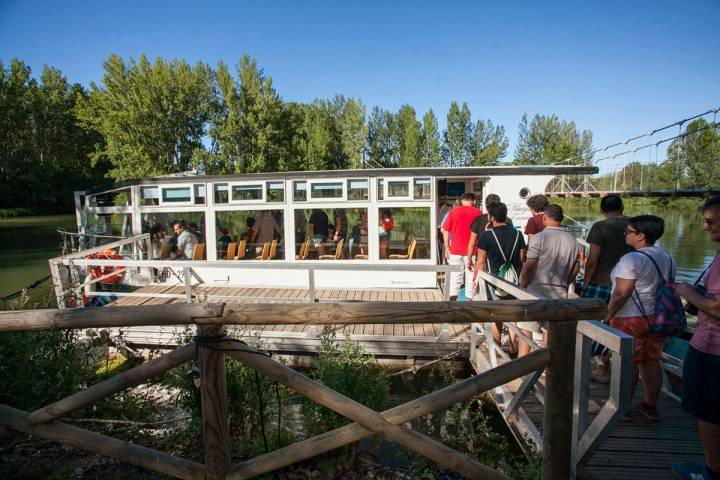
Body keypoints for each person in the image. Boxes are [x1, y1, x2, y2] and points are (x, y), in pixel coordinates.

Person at [604, 215, 674, 422]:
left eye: (629, 231)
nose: (625, 233)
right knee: (651, 361)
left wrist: (608, 316)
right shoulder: (667, 256)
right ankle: (650, 406)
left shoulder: (631, 259)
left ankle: (621, 408)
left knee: (627, 363)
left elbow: (621, 293)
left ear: (641, 236)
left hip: (630, 317)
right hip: (657, 317)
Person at [671, 196, 720, 480]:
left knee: (709, 411)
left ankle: (711, 470)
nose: (704, 226)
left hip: (712, 347)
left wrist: (686, 291)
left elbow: (716, 307)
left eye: (710, 221)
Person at [582, 194, 632, 382]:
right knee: (618, 327)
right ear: (623, 206)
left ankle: (596, 365)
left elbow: (592, 258)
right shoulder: (635, 225)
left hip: (601, 283)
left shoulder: (600, 227)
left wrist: (586, 282)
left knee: (594, 326)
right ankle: (611, 367)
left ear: (602, 209)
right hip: (628, 285)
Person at [471, 202, 526, 353]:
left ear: (492, 217)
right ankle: (513, 346)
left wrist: (476, 280)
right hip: (514, 281)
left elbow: (481, 262)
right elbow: (522, 258)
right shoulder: (518, 234)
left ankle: (496, 348)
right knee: (513, 314)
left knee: (496, 315)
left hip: (493, 281)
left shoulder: (487, 236)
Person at [519, 204, 581, 339]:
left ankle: (524, 358)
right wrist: (564, 282)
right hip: (560, 292)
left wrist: (523, 284)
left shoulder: (538, 238)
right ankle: (545, 358)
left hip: (535, 290)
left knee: (526, 332)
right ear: (562, 218)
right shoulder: (573, 241)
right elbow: (576, 269)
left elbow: (529, 267)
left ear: (545, 217)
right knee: (550, 334)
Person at [442, 193, 481, 301]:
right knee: (470, 276)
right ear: (474, 201)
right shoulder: (478, 213)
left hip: (455, 250)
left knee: (455, 278)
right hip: (472, 251)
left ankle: (452, 304)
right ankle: (469, 304)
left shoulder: (453, 212)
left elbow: (445, 230)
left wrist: (447, 247)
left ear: (462, 201)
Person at [467, 194, 513, 261]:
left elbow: (472, 243)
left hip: (483, 259)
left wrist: (469, 259)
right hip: (503, 258)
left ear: (486, 205)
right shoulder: (507, 220)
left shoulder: (479, 220)